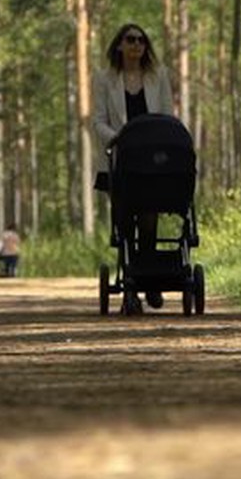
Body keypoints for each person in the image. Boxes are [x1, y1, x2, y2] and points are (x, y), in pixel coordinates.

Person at [93, 22, 173, 310]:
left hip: (151, 159)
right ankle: (130, 286)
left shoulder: (158, 76)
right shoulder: (104, 79)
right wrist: (117, 138)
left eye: (141, 40)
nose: (136, 45)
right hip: (120, 159)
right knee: (125, 221)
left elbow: (166, 114)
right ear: (119, 45)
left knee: (149, 219)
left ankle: (149, 278)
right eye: (130, 40)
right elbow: (98, 120)